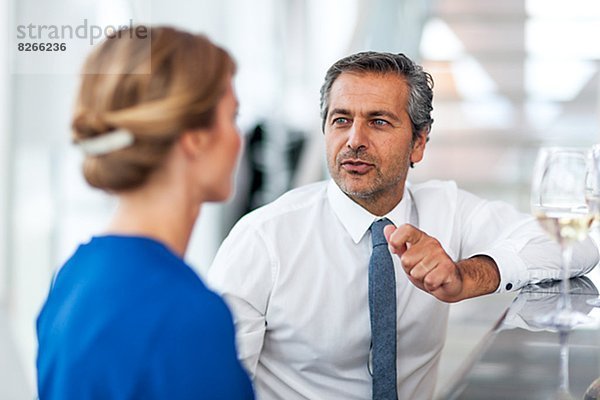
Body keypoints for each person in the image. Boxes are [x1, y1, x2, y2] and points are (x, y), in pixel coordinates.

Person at [207, 51, 599, 400]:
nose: (354, 140)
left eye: (378, 122)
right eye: (341, 120)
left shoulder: (448, 209)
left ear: (419, 143)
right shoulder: (262, 238)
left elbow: (578, 247)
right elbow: (214, 383)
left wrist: (468, 276)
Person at [36, 26, 254, 399]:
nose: (239, 139)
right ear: (194, 137)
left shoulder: (72, 277)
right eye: (232, 117)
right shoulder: (187, 315)